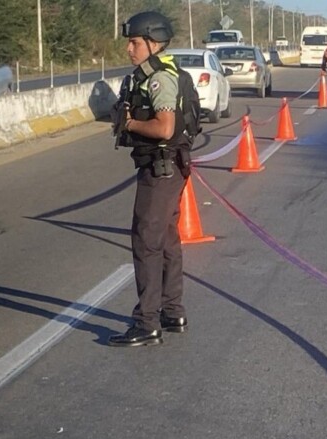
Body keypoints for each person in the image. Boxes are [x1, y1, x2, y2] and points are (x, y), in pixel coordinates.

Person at [109, 11, 191, 347]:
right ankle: (172, 312)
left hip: (161, 169)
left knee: (146, 241)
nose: (129, 49)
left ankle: (147, 323)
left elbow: (164, 128)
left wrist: (129, 123)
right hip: (168, 167)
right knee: (166, 238)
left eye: (134, 42)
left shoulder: (159, 79)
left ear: (153, 43)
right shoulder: (151, 75)